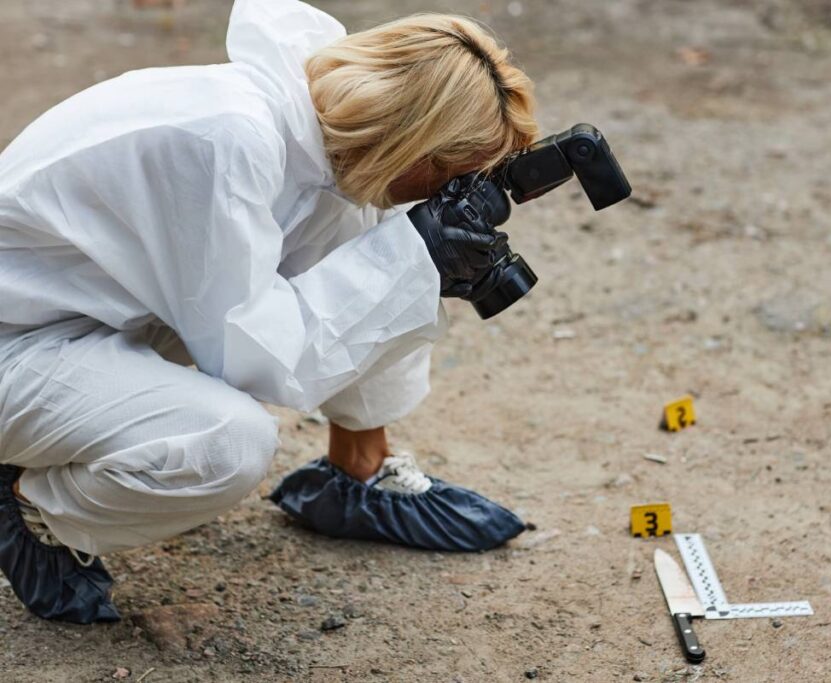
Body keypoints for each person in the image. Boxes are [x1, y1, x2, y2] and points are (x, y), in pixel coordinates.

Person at [0, 0, 539, 624]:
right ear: (416, 143)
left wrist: (412, 249)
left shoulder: (308, 116)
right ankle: (30, 505)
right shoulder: (227, 140)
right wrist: (411, 257)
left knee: (381, 224)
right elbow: (257, 359)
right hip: (17, 342)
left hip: (89, 317)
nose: (451, 192)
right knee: (224, 444)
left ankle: (358, 473)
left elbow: (342, 255)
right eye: (452, 175)